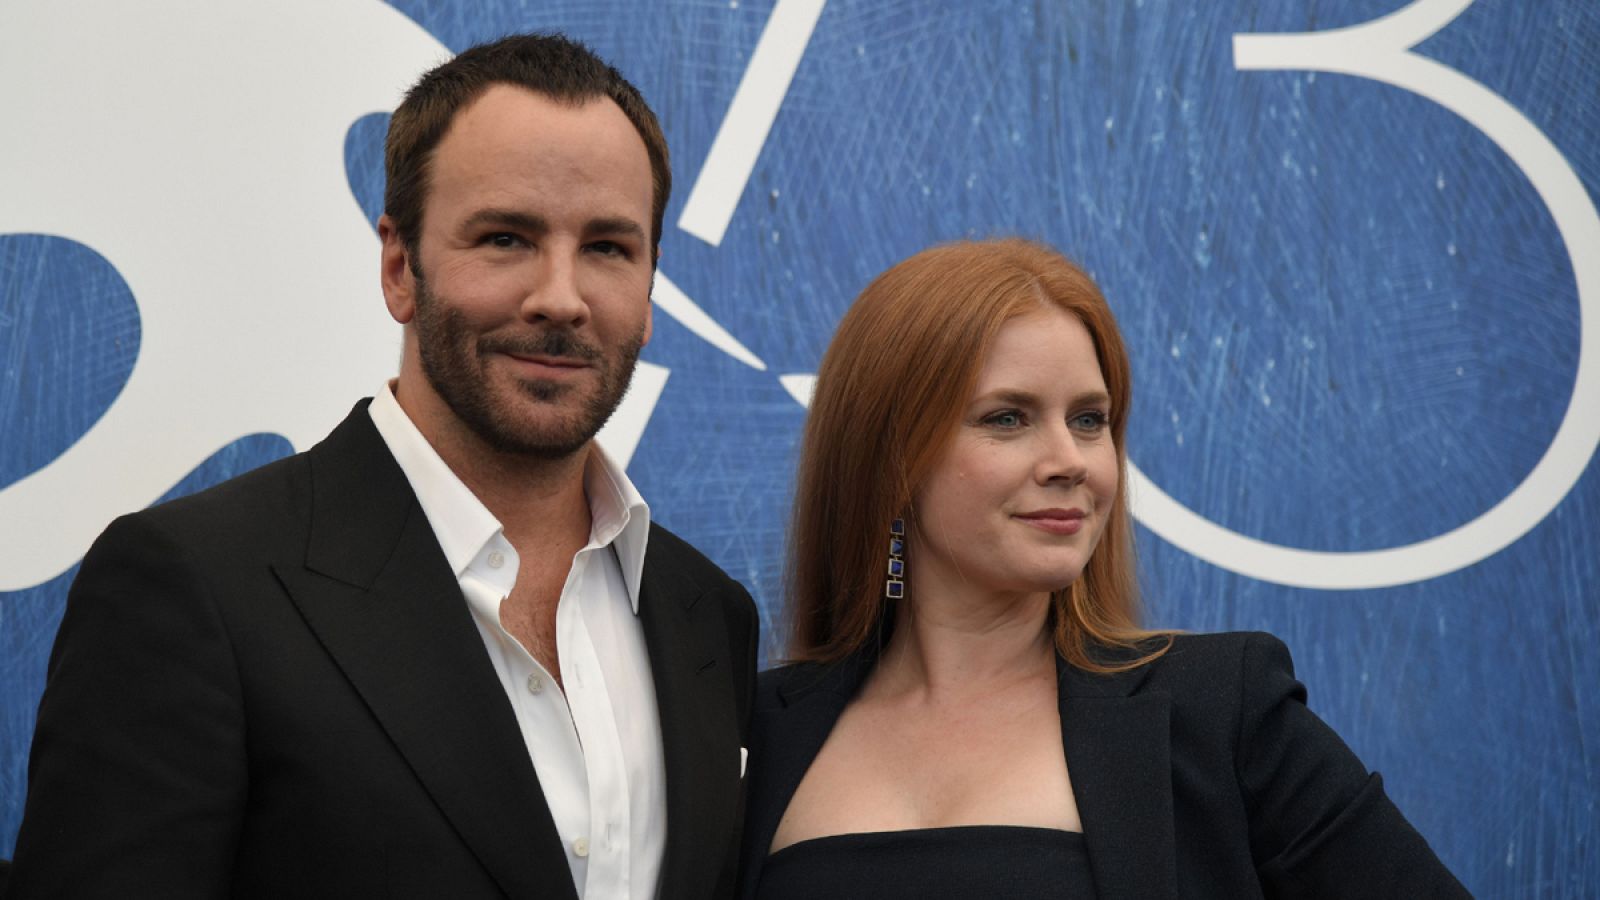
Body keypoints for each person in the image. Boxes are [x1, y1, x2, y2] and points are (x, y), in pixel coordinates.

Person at [11, 34, 757, 900]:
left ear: (650, 286)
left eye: (608, 248)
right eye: (506, 238)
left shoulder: (709, 618)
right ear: (400, 268)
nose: (561, 298)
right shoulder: (197, 589)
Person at [737, 239, 1468, 898]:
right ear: (890, 459)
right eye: (1007, 418)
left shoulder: (1222, 711)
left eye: (1090, 420)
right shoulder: (751, 734)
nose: (1070, 461)